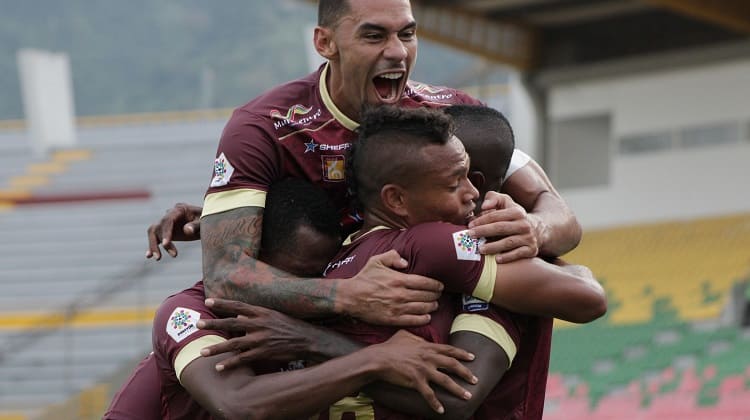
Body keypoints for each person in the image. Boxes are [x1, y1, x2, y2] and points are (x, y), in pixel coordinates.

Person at [144, 0, 582, 330]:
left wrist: (535, 228)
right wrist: (348, 295)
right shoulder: (266, 128)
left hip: (429, 317)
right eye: (375, 36)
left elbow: (559, 214)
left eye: (407, 35)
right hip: (308, 325)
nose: (397, 53)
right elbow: (224, 275)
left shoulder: (449, 116)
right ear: (324, 42)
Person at [200, 106, 605, 419]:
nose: (472, 194)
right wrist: (550, 251)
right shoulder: (437, 244)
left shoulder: (332, 260)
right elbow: (588, 299)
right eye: (456, 182)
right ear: (395, 199)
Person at [105, 178, 477, 419]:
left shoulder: (318, 310)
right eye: (300, 274)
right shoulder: (192, 313)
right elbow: (240, 403)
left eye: (323, 272)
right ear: (254, 255)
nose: (316, 285)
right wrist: (374, 360)